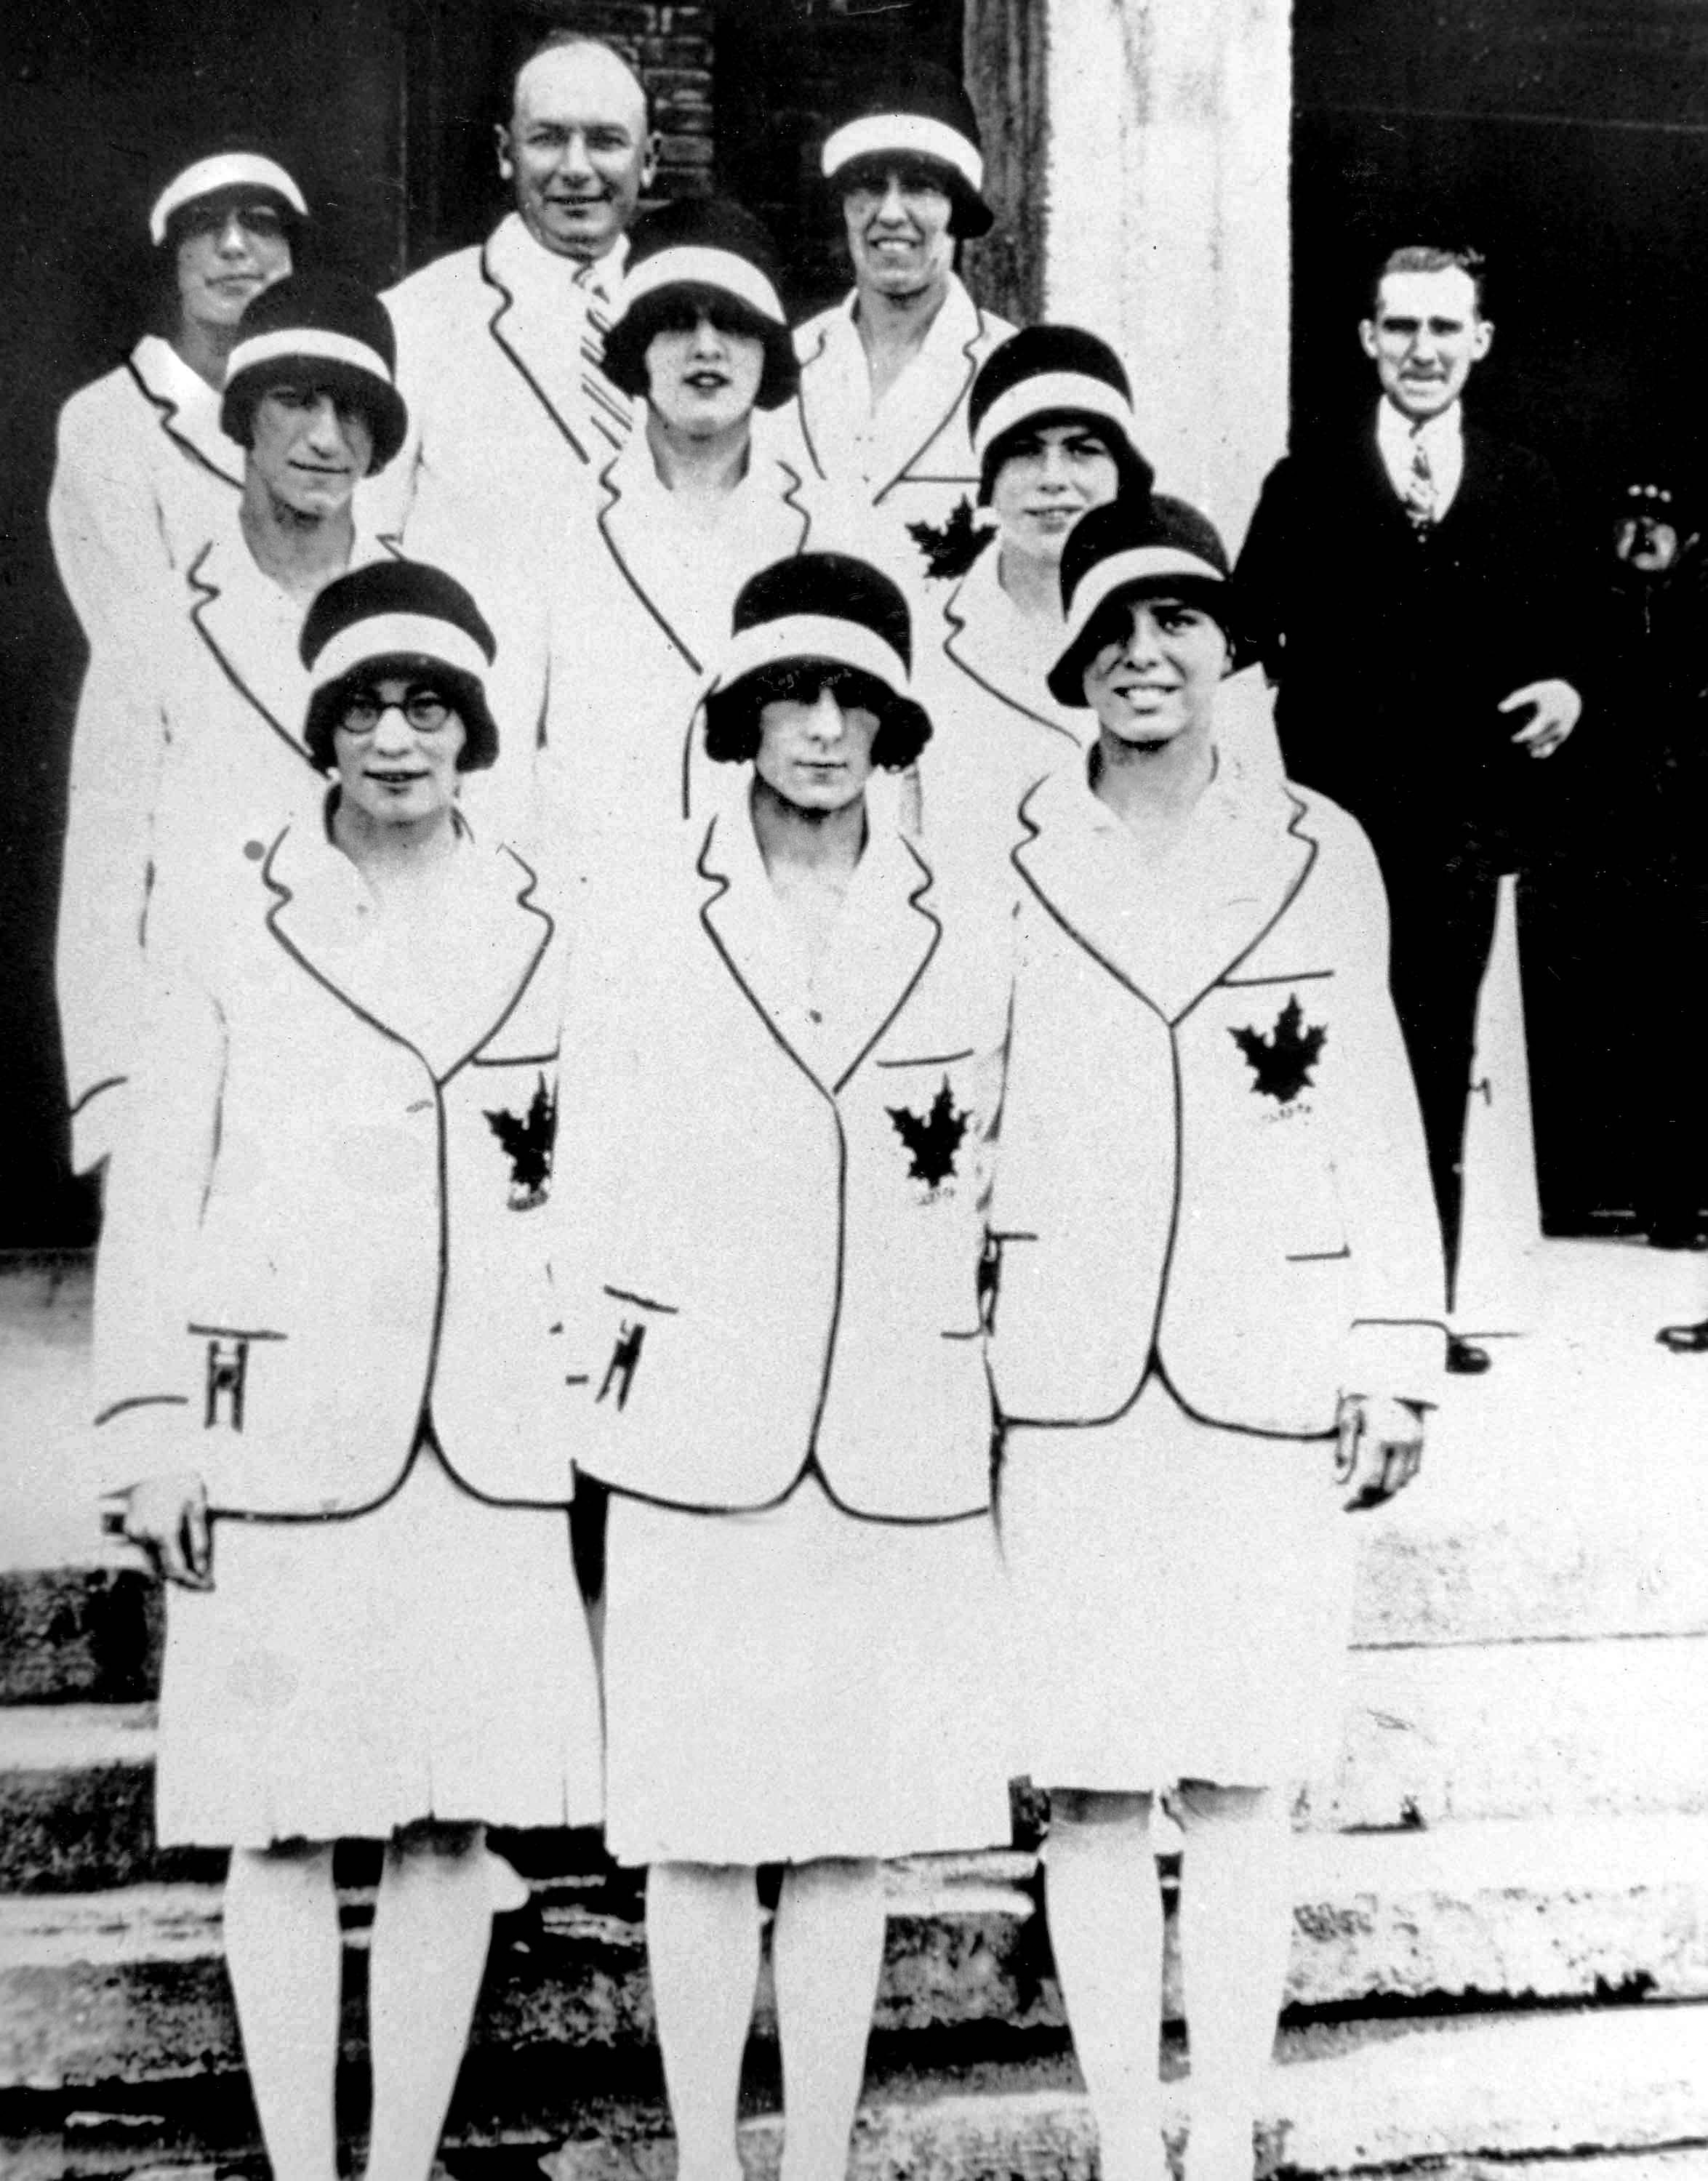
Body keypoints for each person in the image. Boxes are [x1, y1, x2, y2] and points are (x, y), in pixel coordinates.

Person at [93, 557, 603, 2181]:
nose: (397, 739)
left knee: (456, 1811)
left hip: (486, 1428)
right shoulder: (227, 904)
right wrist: (150, 1425)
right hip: (284, 1415)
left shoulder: (549, 912)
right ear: (321, 728)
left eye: (430, 705)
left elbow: (590, 1168)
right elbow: (161, 1169)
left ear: (474, 730)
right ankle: (305, 2165)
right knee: (287, 1812)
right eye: (367, 706)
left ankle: (400, 2166)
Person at [990, 498, 1443, 2181]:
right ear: (1069, 661)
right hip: (1070, 1372)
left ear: (1228, 646)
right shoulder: (1008, 847)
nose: (1142, 656)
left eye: (1177, 621)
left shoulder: (1318, 845)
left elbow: (1377, 1105)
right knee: (1098, 1779)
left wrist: (1391, 1340)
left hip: (1264, 1356)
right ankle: (1124, 2139)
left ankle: (1224, 2117)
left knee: (1244, 1772)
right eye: (1109, 630)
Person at [550, 551, 1015, 2181]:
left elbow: (1001, 1161)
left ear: (894, 725)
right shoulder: (637, 902)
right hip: (697, 1425)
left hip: (892, 1425)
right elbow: (578, 1163)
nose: (821, 730)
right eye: (790, 698)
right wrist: (597, 1390)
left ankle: (813, 2154)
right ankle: (699, 2153)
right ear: (738, 716)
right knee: (695, 1825)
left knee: (841, 1825)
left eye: (854, 702)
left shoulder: (968, 916)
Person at [1236, 245, 1585, 1372]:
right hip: (1331, 820)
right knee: (1314, 1044)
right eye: (1401, 328)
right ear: (1366, 339)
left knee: (1433, 1055)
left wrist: (1569, 686)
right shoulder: (1305, 479)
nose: (1422, 351)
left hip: (1460, 827)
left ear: (1479, 343)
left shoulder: (1528, 482)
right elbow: (1243, 633)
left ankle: (1414, 1307)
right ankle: (1313, 1292)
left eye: (1445, 330)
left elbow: (1576, 635)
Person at [55, 271, 428, 1177]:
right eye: (297, 402)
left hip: (377, 1077)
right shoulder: (157, 621)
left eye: (354, 411)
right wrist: (113, 1102)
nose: (326, 438)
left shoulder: (423, 622)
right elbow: (105, 880)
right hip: (197, 1092)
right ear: (243, 420)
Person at [414, 196, 849, 872]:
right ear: (634, 348)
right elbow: (502, 762)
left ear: (769, 349)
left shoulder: (832, 525)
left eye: (732, 323)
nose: (706, 348)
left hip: (771, 909)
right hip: (591, 911)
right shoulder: (551, 521)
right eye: (676, 322)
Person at [376, 32, 658, 533]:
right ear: (506, 152)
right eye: (547, 139)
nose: (575, 169)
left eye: (605, 141)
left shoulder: (688, 313)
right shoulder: (415, 317)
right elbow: (370, 532)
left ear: (650, 159)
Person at [49, 148, 307, 659]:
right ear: (173, 260)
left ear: (292, 256)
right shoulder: (107, 417)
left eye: (259, 223)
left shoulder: (334, 409)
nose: (234, 246)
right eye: (204, 225)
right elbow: (135, 631)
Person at [772, 61, 1016, 579]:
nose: (889, 213)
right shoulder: (783, 362)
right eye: (868, 186)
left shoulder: (1009, 371)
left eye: (921, 186)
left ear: (957, 206)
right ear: (842, 205)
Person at [907, 325, 1152, 838]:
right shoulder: (919, 644)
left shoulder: (1193, 631)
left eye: (1083, 449)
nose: (1053, 478)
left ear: (1122, 473)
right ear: (988, 479)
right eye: (1024, 451)